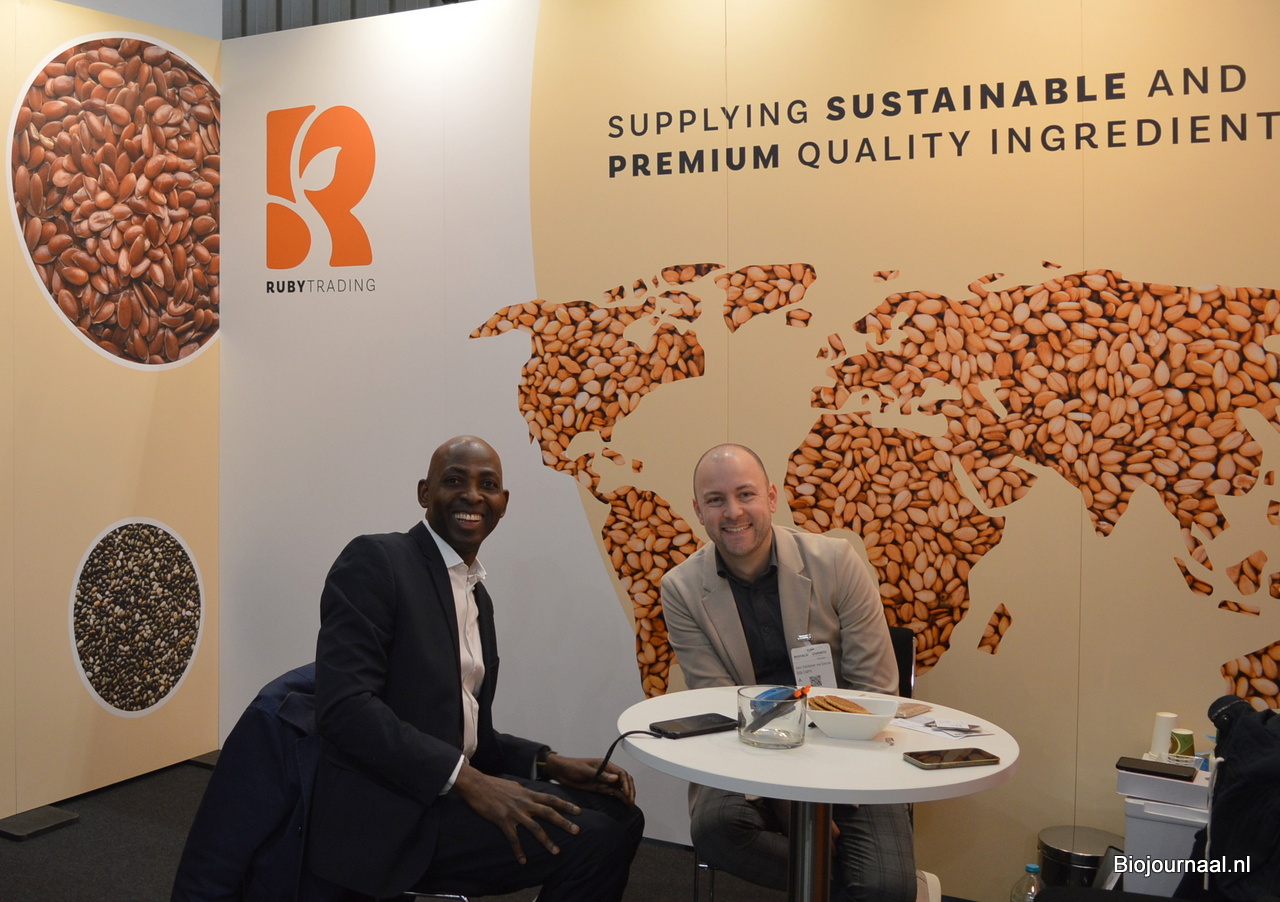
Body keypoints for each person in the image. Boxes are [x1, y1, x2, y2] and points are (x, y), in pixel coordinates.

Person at [306, 435, 644, 901]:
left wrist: (548, 763)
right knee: (594, 840)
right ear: (424, 493)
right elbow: (345, 709)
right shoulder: (377, 561)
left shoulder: (475, 595)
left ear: (503, 502)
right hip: (391, 813)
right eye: (454, 481)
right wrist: (467, 779)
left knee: (622, 816)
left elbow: (468, 735)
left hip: (448, 790)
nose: (472, 495)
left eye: (488, 485)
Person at [661, 443, 917, 902]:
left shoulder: (837, 561)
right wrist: (785, 799)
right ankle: (841, 883)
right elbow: (718, 701)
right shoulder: (681, 589)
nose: (733, 512)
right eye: (716, 500)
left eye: (746, 494)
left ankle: (845, 881)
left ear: (772, 497)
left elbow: (875, 689)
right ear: (698, 511)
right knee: (717, 830)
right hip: (744, 748)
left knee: (888, 887)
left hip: (847, 743)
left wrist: (820, 789)